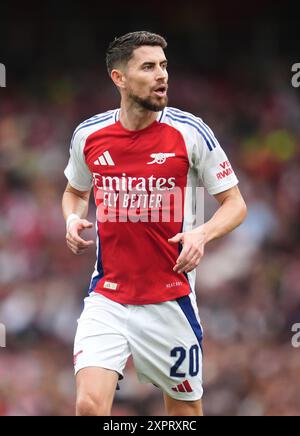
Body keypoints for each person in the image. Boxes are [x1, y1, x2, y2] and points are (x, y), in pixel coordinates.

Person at [62, 31, 247, 416]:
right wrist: (71, 219)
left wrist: (203, 232)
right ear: (120, 78)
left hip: (169, 301)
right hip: (108, 297)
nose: (161, 75)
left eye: (164, 66)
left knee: (184, 416)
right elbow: (75, 192)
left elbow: (235, 204)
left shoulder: (190, 132)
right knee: (88, 406)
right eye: (148, 66)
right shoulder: (89, 135)